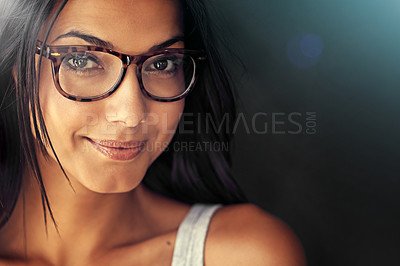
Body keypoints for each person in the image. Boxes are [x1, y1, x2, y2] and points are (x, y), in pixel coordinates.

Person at [0, 0, 306, 265]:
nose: (131, 115)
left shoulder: (243, 256)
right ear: (16, 66)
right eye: (82, 60)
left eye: (162, 63)